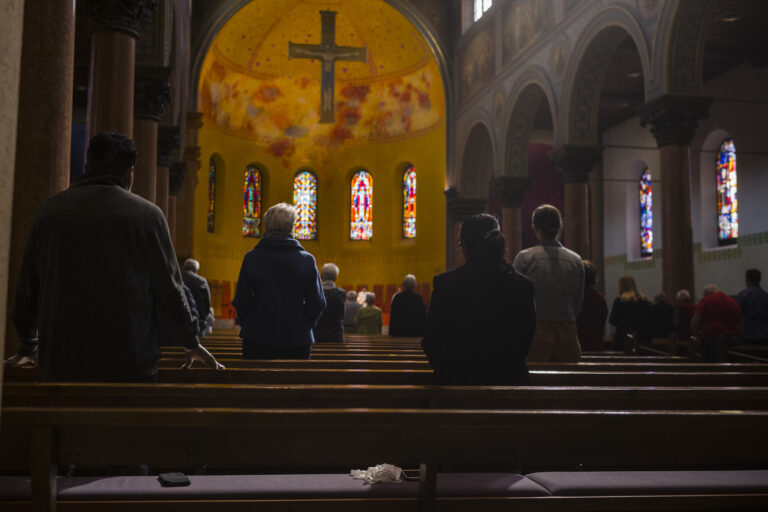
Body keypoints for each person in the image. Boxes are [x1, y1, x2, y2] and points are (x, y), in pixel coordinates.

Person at [4, 131, 223, 381]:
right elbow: (170, 289)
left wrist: (27, 343)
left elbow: (27, 288)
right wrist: (190, 341)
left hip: (61, 363)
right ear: (129, 172)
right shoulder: (148, 216)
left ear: (87, 166)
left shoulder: (49, 212)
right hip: (129, 364)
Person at [422, 213, 535, 385]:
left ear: (465, 246)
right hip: (509, 386)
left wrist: (447, 367)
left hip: (455, 384)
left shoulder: (446, 284)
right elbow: (525, 340)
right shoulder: (524, 286)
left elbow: (432, 340)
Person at [233, 203, 326, 359]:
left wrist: (251, 322)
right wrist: (304, 324)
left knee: (255, 382)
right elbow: (317, 302)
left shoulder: (252, 258)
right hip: (298, 338)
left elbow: (241, 300)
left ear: (266, 226)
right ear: (292, 227)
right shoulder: (307, 260)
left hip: (257, 336)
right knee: (295, 383)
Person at [513, 204, 583, 362]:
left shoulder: (525, 258)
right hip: (567, 332)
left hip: (535, 333)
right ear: (560, 226)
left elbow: (516, 299)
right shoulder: (576, 259)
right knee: (569, 384)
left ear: (535, 227)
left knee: (535, 382)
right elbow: (578, 303)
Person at [692, 284, 742, 362]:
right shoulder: (733, 301)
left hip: (712, 342)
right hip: (732, 341)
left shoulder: (707, 300)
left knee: (710, 369)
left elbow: (695, 322)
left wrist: (697, 335)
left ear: (706, 294)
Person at [608, 275, 652, 351]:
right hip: (641, 338)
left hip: (623, 339)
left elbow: (613, 320)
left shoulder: (619, 301)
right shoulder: (643, 300)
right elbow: (650, 319)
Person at [576, 260, 608, 352]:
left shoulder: (573, 296)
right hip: (595, 345)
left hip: (576, 345)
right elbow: (602, 320)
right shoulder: (599, 298)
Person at [313, 263, 346, 342]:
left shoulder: (314, 291)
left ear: (321, 276)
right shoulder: (341, 293)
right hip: (336, 334)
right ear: (335, 278)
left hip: (317, 334)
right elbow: (342, 315)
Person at [182, 258, 213, 337]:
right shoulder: (202, 281)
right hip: (198, 321)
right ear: (196, 269)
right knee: (198, 345)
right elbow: (207, 303)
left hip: (179, 321)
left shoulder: (176, 278)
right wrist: (203, 317)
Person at [736, 269, 768, 344]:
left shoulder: (743, 294)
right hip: (764, 334)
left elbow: (737, 314)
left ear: (747, 279)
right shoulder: (765, 295)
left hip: (747, 335)